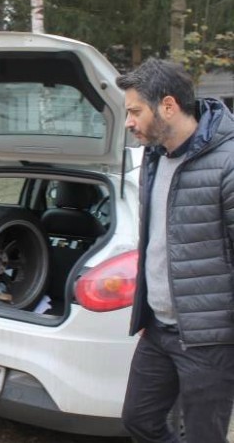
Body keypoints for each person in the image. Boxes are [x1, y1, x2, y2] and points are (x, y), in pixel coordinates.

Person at [116, 58, 234, 442]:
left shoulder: (228, 162)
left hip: (209, 339)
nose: (129, 122)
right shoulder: (153, 156)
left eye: (135, 111)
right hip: (158, 329)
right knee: (139, 420)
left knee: (203, 436)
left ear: (168, 106)